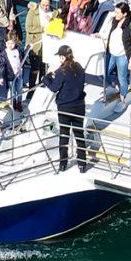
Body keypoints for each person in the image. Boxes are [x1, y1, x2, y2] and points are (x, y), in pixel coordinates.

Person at [45, 45, 89, 173]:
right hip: (79, 106)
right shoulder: (79, 67)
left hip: (65, 107)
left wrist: (46, 78)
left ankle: (63, 164)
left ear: (63, 57)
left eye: (60, 56)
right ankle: (82, 163)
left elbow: (54, 88)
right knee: (79, 135)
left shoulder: (61, 72)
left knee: (64, 135)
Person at [98, 1, 131, 101]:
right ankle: (112, 86)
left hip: (122, 56)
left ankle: (123, 97)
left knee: (122, 78)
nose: (115, 14)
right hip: (111, 53)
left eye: (117, 12)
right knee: (104, 72)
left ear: (124, 14)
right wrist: (99, 35)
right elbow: (108, 33)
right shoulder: (114, 21)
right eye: (115, 12)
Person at [0, 26, 29, 108]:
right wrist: (1, 77)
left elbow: (23, 58)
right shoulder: (4, 53)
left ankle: (19, 103)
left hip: (19, 74)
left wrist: (27, 49)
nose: (10, 45)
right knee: (13, 91)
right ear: (5, 42)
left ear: (16, 42)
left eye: (12, 43)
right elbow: (2, 66)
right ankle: (14, 103)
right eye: (8, 43)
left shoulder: (18, 51)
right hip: (10, 76)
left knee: (19, 90)